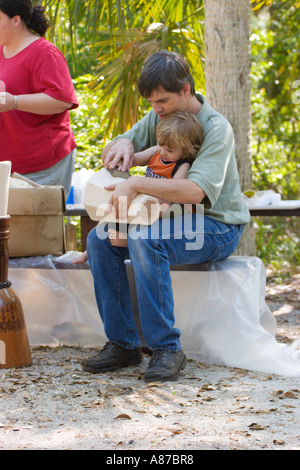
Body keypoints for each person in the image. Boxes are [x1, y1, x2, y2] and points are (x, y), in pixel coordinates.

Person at [81, 50, 251, 382]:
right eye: (152, 103)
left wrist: (136, 182)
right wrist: (122, 145)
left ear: (186, 89)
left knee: (146, 238)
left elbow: (193, 192)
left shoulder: (217, 128)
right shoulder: (160, 115)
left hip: (217, 224)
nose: (156, 109)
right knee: (98, 239)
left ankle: (166, 348)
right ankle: (123, 343)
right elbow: (117, 148)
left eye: (162, 101)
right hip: (171, 219)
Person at [0, 0, 78, 198]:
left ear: (15, 20)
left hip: (43, 165)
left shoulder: (45, 52)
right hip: (7, 165)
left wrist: (15, 101)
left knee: (38, 228)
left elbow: (62, 100)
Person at [108, 110, 204, 247]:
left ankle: (128, 239)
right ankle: (105, 238)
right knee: (120, 202)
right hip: (149, 198)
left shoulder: (183, 165)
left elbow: (172, 191)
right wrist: (121, 162)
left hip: (171, 206)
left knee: (157, 208)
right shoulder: (155, 151)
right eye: (160, 145)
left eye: (170, 150)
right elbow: (134, 159)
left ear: (186, 150)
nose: (163, 152)